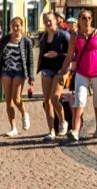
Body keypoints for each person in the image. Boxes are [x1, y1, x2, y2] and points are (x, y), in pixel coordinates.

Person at [60, 9, 97, 142]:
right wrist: (62, 72)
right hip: (82, 72)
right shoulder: (75, 36)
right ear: (79, 20)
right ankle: (75, 130)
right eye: (83, 18)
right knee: (79, 100)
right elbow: (70, 56)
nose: (86, 21)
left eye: (89, 18)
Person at [0, 16, 34, 137]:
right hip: (6, 71)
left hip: (19, 72)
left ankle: (24, 113)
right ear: (10, 26)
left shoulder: (26, 42)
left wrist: (31, 77)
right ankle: (13, 127)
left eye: (18, 25)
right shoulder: (4, 39)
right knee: (8, 100)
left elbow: (30, 60)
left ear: (22, 27)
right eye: (13, 25)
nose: (15, 28)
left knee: (16, 99)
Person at [36, 13, 71, 141]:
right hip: (46, 69)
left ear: (56, 21)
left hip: (60, 69)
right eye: (45, 21)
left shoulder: (64, 35)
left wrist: (57, 54)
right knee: (47, 101)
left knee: (55, 98)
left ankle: (62, 121)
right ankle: (51, 131)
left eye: (50, 21)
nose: (48, 23)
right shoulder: (43, 36)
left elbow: (71, 54)